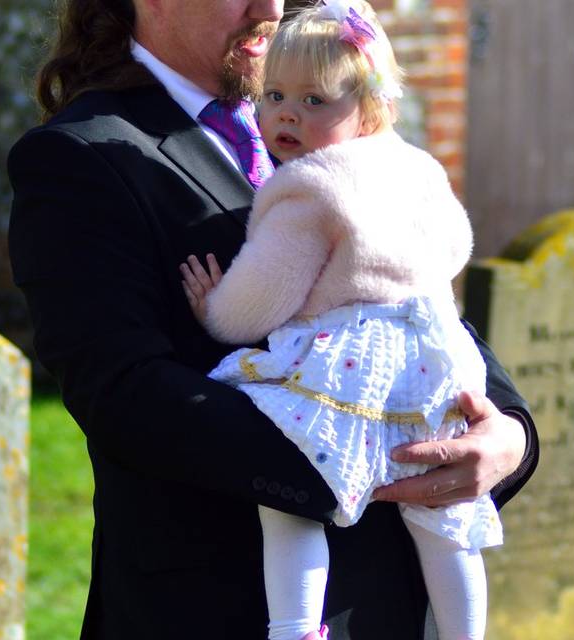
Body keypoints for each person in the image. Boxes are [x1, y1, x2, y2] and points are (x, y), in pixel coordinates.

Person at [7, 0, 539, 638]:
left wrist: (509, 434)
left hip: (391, 608)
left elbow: (410, 298)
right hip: (216, 609)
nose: (272, 9)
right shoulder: (81, 155)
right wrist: (349, 460)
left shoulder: (333, 109)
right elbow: (123, 392)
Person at [178, 3, 502, 639]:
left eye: (315, 99)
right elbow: (456, 246)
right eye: (272, 95)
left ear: (370, 106)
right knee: (443, 515)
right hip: (436, 360)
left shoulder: (308, 188)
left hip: (346, 369)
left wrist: (213, 310)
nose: (287, 114)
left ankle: (295, 628)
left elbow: (261, 297)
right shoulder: (417, 166)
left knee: (292, 497)